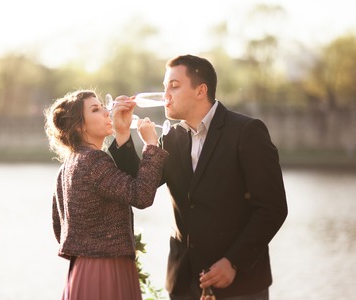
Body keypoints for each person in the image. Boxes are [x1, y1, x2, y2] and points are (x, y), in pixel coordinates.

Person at [109, 55, 288, 300]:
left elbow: (272, 208)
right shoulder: (171, 138)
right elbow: (138, 190)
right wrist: (121, 135)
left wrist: (233, 262)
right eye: (164, 87)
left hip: (240, 285)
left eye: (174, 86)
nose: (165, 96)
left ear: (200, 90)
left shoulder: (247, 132)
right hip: (184, 283)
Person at [44, 89, 168, 300]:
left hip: (82, 270)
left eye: (103, 106)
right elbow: (141, 195)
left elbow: (60, 228)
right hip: (107, 269)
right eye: (95, 109)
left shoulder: (67, 167)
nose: (106, 112)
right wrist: (151, 145)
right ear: (80, 125)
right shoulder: (94, 161)